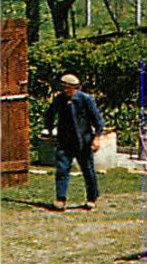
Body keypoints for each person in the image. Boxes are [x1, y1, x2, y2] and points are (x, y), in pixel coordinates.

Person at [43, 73, 104, 211]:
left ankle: (91, 198)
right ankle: (60, 199)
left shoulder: (86, 100)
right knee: (62, 169)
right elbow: (50, 115)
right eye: (63, 87)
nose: (66, 90)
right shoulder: (59, 100)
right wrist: (49, 130)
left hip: (83, 140)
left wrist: (97, 137)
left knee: (88, 170)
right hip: (65, 141)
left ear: (75, 88)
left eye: (68, 88)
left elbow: (98, 121)